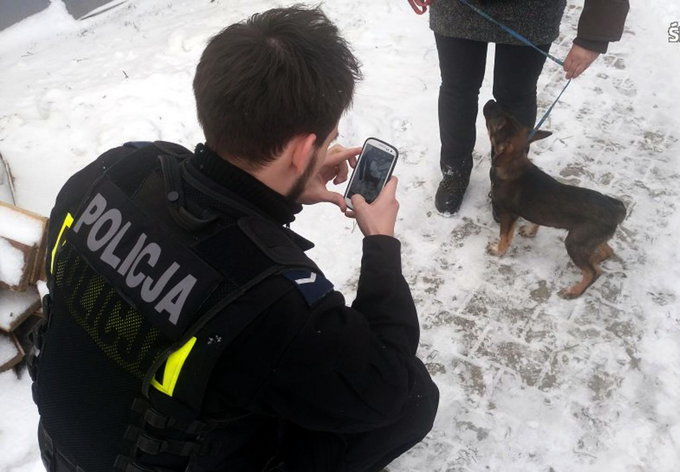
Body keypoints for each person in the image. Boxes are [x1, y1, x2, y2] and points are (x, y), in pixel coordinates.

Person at [30, 6, 438, 472]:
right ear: (303, 149)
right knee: (414, 400)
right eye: (325, 142)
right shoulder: (276, 303)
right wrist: (380, 243)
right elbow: (385, 385)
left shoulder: (116, 169)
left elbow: (207, 200)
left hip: (65, 439)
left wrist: (286, 185)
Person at [420, 0, 630, 214]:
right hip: (457, 7)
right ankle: (454, 171)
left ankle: (508, 181)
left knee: (516, 95)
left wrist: (593, 37)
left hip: (532, 11)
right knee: (457, 90)